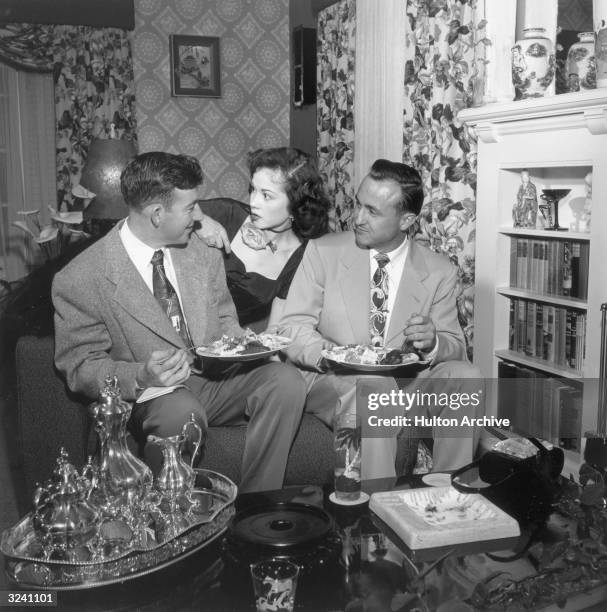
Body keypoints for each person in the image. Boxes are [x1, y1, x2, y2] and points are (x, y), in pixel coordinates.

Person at [52, 152, 306, 493]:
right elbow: (81, 366)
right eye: (190, 209)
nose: (197, 218)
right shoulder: (82, 277)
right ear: (157, 214)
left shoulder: (202, 252)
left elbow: (225, 318)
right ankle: (173, 524)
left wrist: (247, 344)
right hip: (155, 393)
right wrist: (141, 375)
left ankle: (258, 503)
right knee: (180, 411)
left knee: (285, 380)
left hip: (215, 380)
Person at [278, 159, 482, 478]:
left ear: (407, 220)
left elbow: (456, 348)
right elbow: (292, 327)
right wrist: (337, 356)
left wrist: (433, 343)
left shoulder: (440, 270)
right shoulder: (322, 251)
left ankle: (449, 498)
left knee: (467, 377)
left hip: (405, 383)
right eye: (358, 205)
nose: (357, 218)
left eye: (372, 211)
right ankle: (375, 509)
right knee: (374, 388)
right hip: (336, 379)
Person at [196, 147, 330, 328]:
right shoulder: (226, 213)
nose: (253, 202)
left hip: (228, 347)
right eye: (253, 190)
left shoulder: (300, 259)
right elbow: (161, 203)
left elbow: (275, 332)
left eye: (266, 195)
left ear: (296, 204)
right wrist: (198, 218)